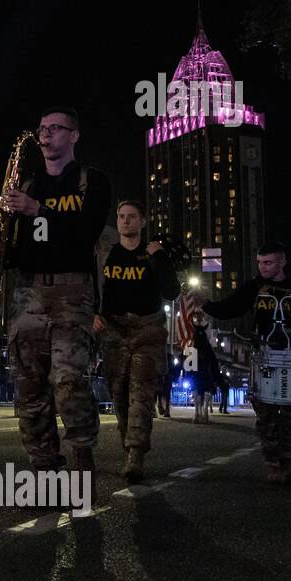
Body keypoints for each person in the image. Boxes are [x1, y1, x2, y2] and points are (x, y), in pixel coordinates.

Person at [2, 106, 112, 474]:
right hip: (28, 292)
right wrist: (1, 233)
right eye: (42, 128)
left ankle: (82, 457)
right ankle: (43, 466)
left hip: (72, 291)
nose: (46, 134)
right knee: (29, 386)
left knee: (67, 380)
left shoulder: (91, 181)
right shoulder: (28, 183)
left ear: (74, 135)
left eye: (55, 128)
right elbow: (15, 249)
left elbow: (85, 232)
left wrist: (38, 211)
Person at [193, 241, 291, 485]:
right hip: (265, 357)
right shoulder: (254, 287)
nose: (263, 268)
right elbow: (231, 307)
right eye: (260, 263)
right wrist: (207, 304)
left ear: (282, 262)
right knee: (267, 414)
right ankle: (275, 465)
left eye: (269, 263)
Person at [94, 199, 178, 483]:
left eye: (131, 216)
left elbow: (172, 292)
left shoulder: (152, 253)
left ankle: (135, 455)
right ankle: (128, 444)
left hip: (147, 331)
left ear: (143, 222)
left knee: (141, 393)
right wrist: (93, 314)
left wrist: (159, 259)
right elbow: (93, 286)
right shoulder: (107, 254)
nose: (125, 221)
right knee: (118, 393)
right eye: (121, 216)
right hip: (114, 331)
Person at [190, 316, 220, 424]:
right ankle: (197, 413)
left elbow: (208, 332)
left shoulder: (206, 320)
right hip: (195, 349)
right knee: (187, 361)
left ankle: (216, 379)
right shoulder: (193, 321)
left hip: (206, 347)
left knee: (213, 360)